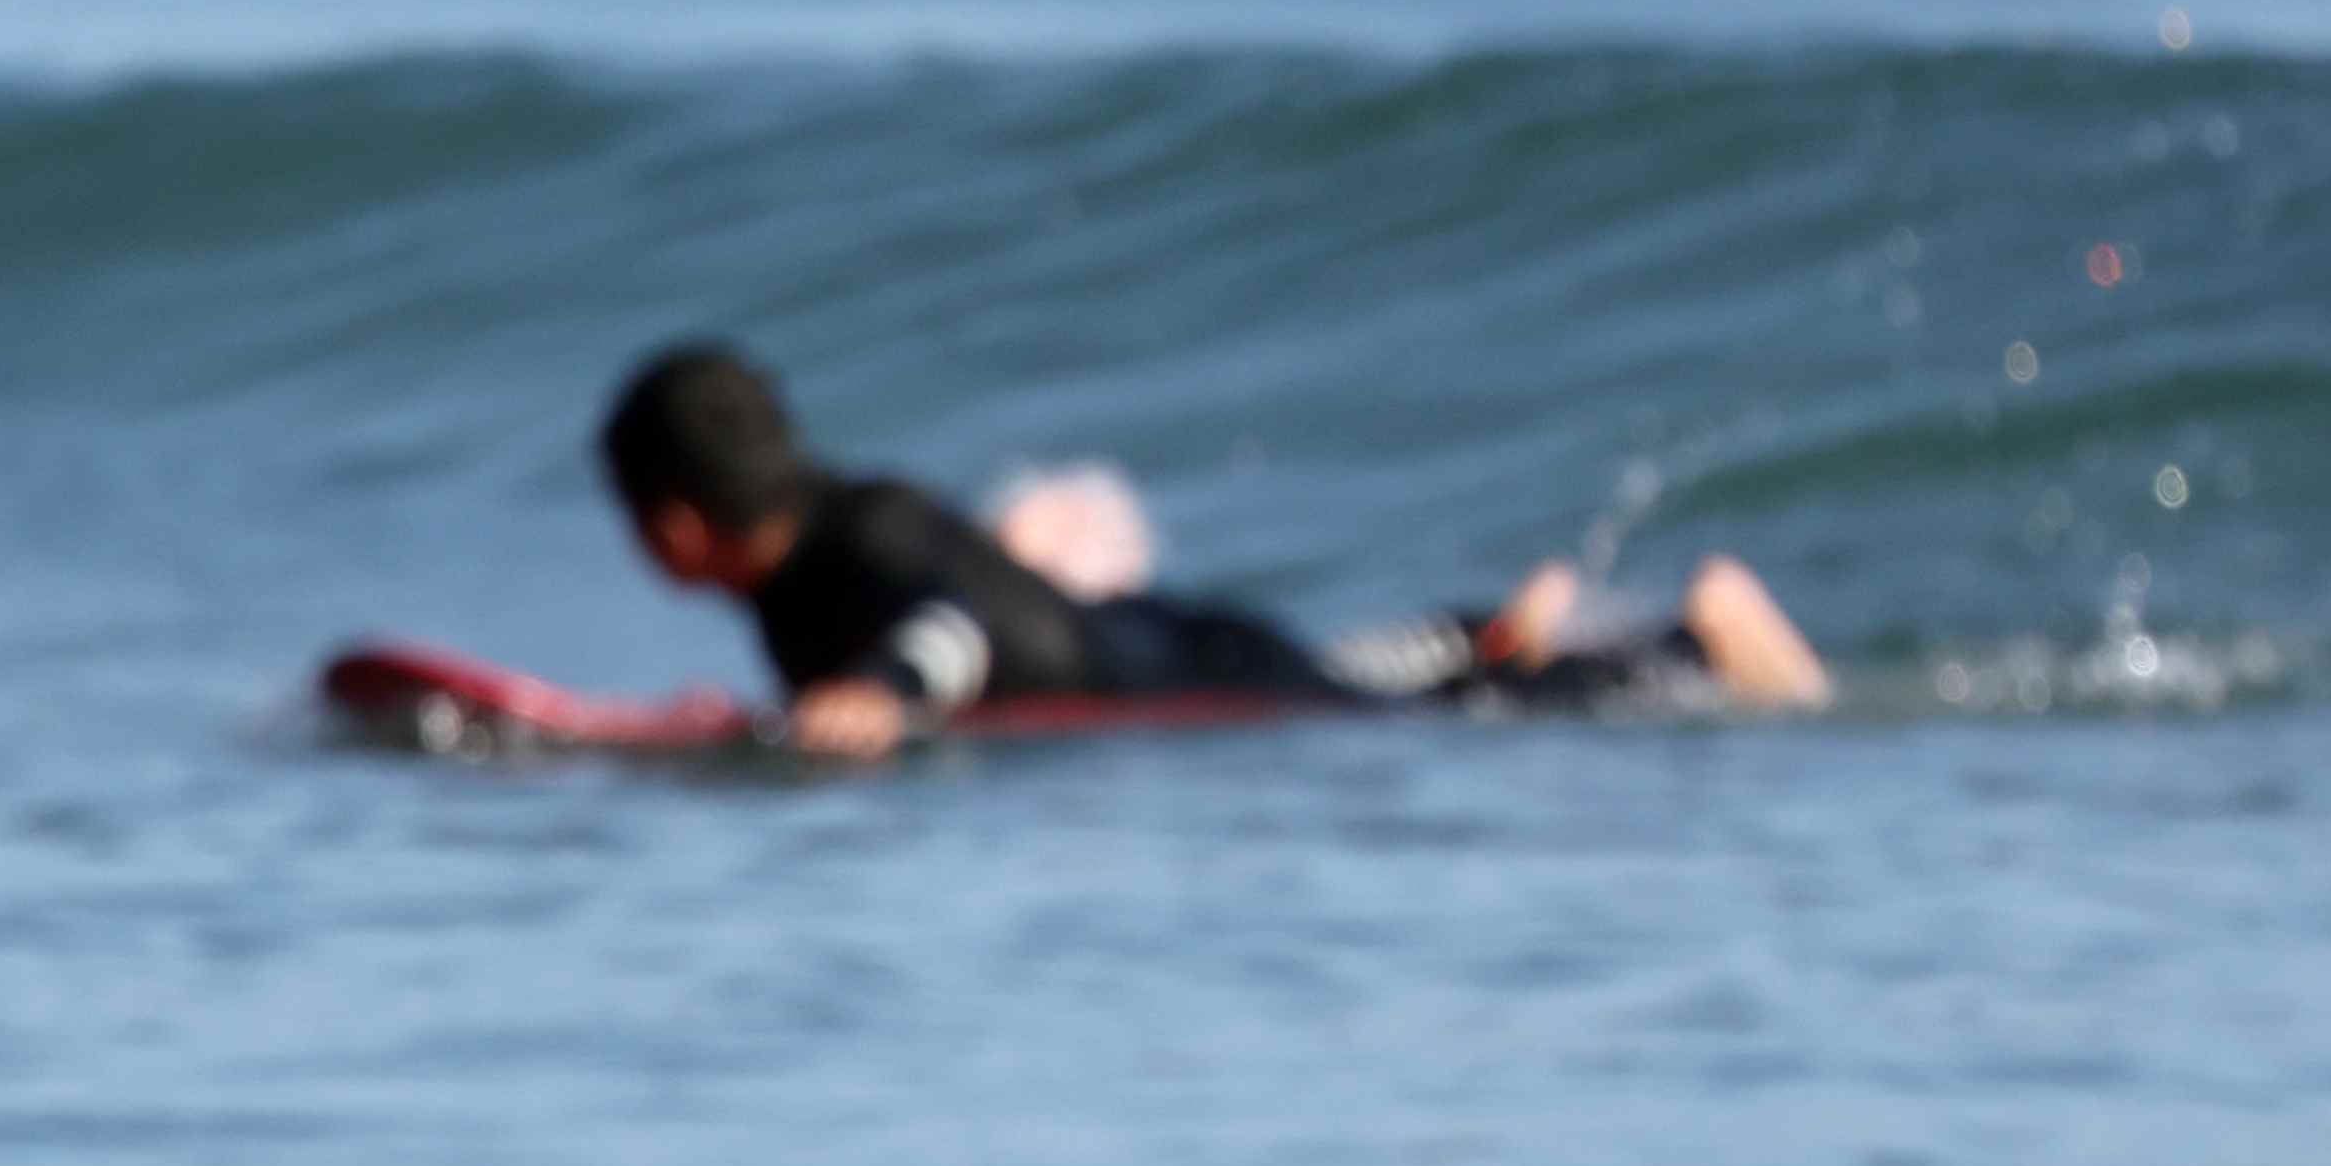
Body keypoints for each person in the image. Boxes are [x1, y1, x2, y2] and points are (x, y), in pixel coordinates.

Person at [593, 340, 1827, 758]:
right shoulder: (850, 523)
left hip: (1181, 676)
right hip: (1173, 638)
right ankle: (1486, 630)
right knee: (1356, 679)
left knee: (1407, 726)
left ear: (676, 524)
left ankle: (1692, 645)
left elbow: (947, 634)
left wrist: (879, 694)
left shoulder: (837, 557)